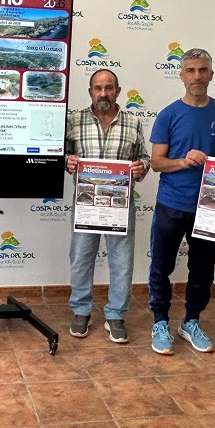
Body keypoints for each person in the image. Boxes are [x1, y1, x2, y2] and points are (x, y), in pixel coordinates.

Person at [148, 49, 215, 355]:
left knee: (203, 270)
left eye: (202, 70)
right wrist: (184, 161)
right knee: (161, 267)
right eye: (191, 70)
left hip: (210, 207)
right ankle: (160, 322)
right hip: (172, 203)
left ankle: (191, 321)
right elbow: (156, 162)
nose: (197, 76)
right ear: (181, 75)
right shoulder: (168, 114)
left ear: (211, 74)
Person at [65, 69, 150, 343]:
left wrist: (141, 167)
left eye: (109, 88)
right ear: (90, 91)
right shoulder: (74, 120)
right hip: (86, 202)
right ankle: (81, 310)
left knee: (121, 261)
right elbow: (63, 154)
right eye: (98, 88)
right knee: (80, 258)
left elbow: (144, 157)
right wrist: (68, 161)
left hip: (120, 205)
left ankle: (115, 314)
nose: (104, 93)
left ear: (118, 91)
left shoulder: (133, 122)